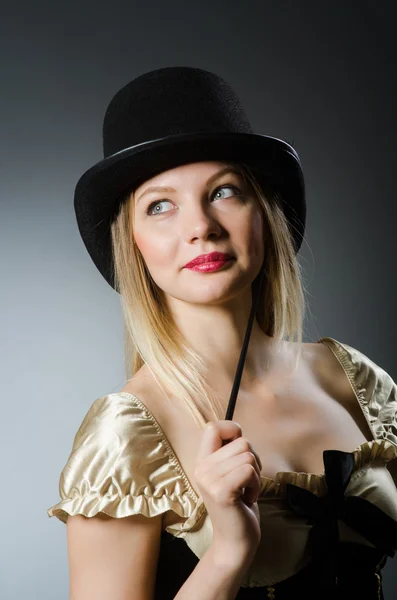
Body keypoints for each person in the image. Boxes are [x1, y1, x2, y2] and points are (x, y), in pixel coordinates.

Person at [47, 67, 397, 600]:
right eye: (160, 205)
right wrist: (229, 550)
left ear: (265, 214)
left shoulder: (353, 380)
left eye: (225, 191)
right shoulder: (127, 438)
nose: (201, 226)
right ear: (133, 243)